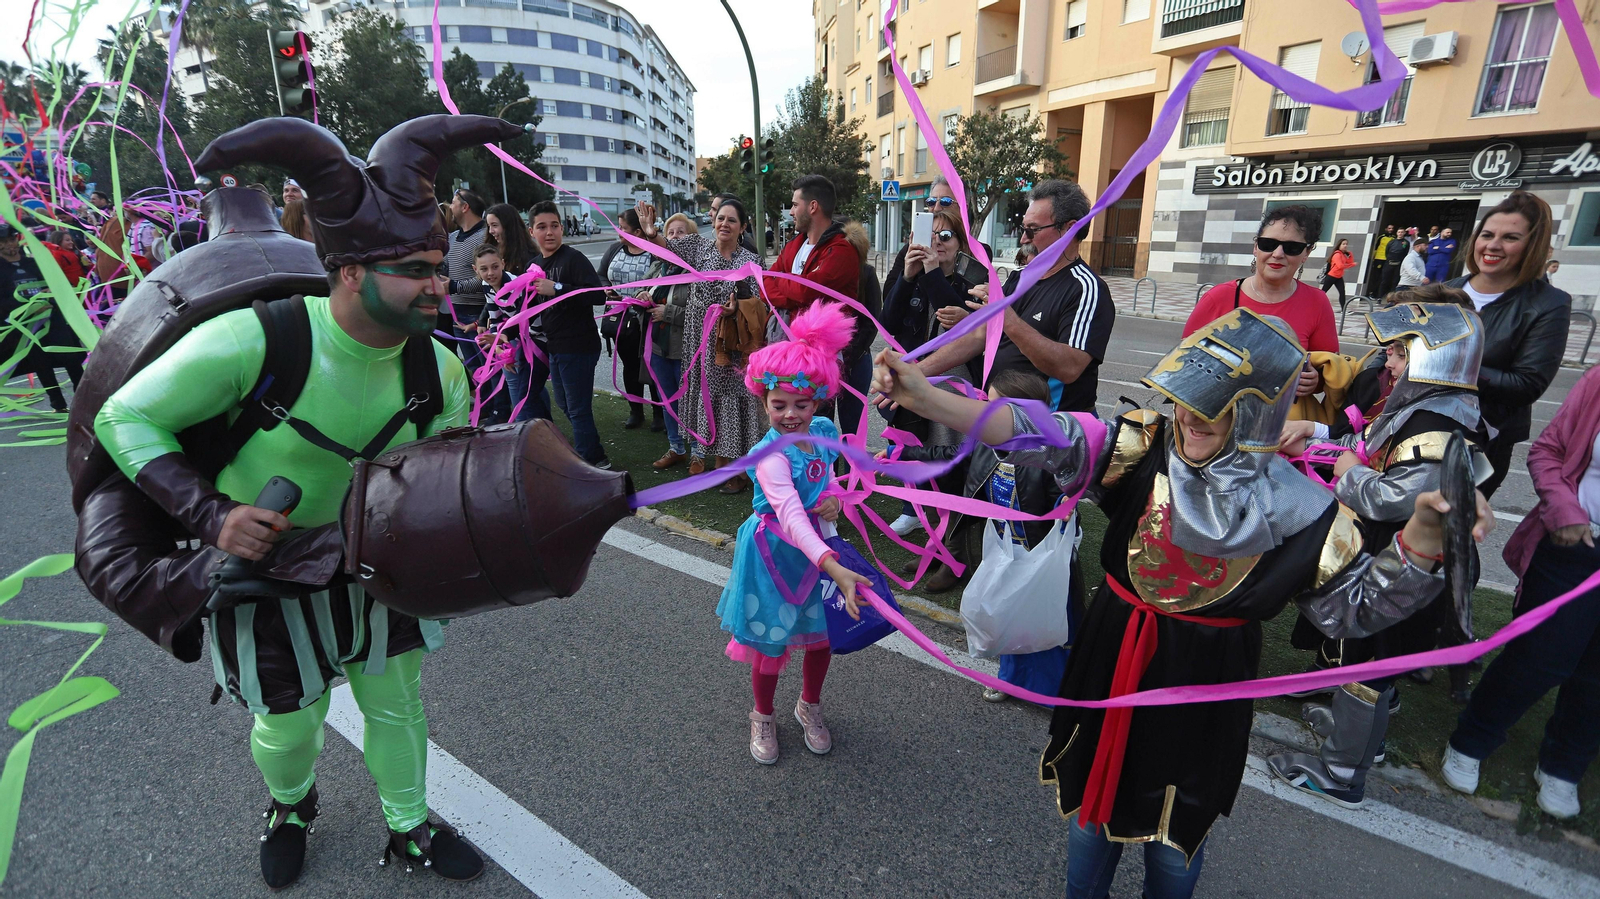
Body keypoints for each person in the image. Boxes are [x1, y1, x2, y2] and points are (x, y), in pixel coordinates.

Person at [873, 307, 1492, 899]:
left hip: (1204, 677)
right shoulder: (1142, 447)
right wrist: (926, 397)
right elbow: (1041, 433)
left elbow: (1354, 612)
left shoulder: (1301, 509)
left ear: (1258, 412)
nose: (1193, 418)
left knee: (1177, 831)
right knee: (1092, 814)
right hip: (1113, 653)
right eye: (1188, 398)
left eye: (1217, 408)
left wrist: (1422, 542)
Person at [87, 114, 520, 888]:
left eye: (437, 263)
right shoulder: (256, 341)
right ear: (351, 271)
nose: (440, 282)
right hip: (265, 574)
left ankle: (409, 826)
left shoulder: (441, 372)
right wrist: (213, 515)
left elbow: (441, 480)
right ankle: (289, 804)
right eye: (417, 269)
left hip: (372, 570)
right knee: (287, 726)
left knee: (397, 706)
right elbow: (124, 416)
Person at [1269, 297, 1490, 808]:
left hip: (1405, 565)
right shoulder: (1424, 403)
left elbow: (1392, 496)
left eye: (1397, 353)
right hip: (1394, 556)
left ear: (1432, 359)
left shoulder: (1436, 424)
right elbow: (1368, 443)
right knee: (1365, 661)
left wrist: (1347, 474)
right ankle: (1358, 736)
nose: (1386, 362)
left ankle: (1343, 772)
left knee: (1368, 663)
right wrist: (1316, 435)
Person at [1443, 361, 1600, 819]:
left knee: (1596, 678)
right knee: (1538, 658)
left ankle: (1564, 765)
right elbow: (1547, 453)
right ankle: (1471, 740)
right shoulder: (1597, 381)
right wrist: (1565, 510)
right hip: (1575, 543)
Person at [716, 301, 868, 765]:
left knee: (820, 637)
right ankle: (762, 714)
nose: (790, 415)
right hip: (772, 558)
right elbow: (789, 513)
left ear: (817, 402)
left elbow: (829, 480)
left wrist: (835, 496)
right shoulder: (771, 457)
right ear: (762, 401)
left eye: (800, 404)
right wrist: (832, 564)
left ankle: (810, 704)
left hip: (818, 552)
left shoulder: (822, 430)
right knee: (770, 640)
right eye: (778, 405)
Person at [912, 180, 1114, 414]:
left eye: (1032, 230)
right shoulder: (1020, 278)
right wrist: (916, 372)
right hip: (1003, 421)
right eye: (1022, 228)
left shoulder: (1085, 288)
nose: (1023, 239)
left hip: (1047, 431)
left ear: (1068, 229)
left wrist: (1007, 318)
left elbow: (1069, 367)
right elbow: (979, 337)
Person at [1446, 190, 1570, 498]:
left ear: (1532, 246)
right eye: (1487, 234)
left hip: (1483, 442)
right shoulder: (1446, 291)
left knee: (1447, 535)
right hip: (1414, 429)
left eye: (1511, 237)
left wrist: (1451, 366)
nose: (1493, 245)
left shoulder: (1548, 303)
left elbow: (1527, 384)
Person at [638, 197, 764, 489]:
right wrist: (650, 232)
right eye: (721, 218)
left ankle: (740, 469)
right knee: (711, 401)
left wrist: (736, 309)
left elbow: (756, 302)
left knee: (735, 401)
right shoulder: (699, 247)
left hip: (731, 346)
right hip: (700, 343)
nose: (724, 224)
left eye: (732, 220)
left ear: (742, 227)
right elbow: (666, 248)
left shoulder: (750, 260)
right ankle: (721, 464)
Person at [1186, 206, 1335, 409]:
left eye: (1291, 247)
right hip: (1219, 420)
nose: (1278, 253)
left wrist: (1314, 381)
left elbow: (1329, 370)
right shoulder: (1219, 297)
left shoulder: (1317, 303)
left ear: (1306, 253)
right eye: (1268, 244)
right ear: (1256, 247)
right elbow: (1184, 364)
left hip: (1281, 428)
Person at [529, 200, 611, 468]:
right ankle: (593, 449)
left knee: (577, 408)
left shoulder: (573, 259)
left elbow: (597, 295)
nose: (549, 232)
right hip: (554, 346)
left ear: (562, 229)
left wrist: (558, 287)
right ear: (532, 232)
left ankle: (593, 460)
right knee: (565, 403)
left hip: (579, 345)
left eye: (554, 226)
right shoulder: (534, 265)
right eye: (542, 227)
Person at [1, 222, 85, 412]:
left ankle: (83, 400)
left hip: (51, 318)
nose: (10, 245)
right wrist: (27, 307)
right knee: (41, 364)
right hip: (25, 327)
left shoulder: (33, 262)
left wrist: (50, 293)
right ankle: (58, 404)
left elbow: (54, 283)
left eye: (12, 239)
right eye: (4, 242)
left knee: (71, 357)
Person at [480, 202, 549, 421]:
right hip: (511, 331)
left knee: (524, 386)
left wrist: (503, 340)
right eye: (489, 226)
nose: (491, 231)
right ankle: (534, 426)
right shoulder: (492, 260)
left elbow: (525, 312)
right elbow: (493, 305)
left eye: (495, 225)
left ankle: (531, 428)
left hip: (530, 332)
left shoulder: (525, 258)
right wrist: (496, 340)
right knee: (524, 385)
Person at [597, 208, 659, 430]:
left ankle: (659, 413)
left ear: (638, 231)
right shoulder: (615, 249)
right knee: (630, 365)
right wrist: (607, 290)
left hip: (648, 320)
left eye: (623, 228)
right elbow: (602, 274)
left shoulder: (653, 252)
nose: (618, 231)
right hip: (621, 320)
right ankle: (636, 411)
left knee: (652, 367)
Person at [765, 175, 860, 319]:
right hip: (784, 337)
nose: (791, 212)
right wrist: (796, 299)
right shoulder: (793, 246)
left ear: (813, 207)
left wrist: (778, 279)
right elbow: (765, 285)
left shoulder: (842, 251)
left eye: (795, 205)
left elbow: (805, 291)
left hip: (821, 339)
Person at [647, 213, 696, 469]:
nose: (676, 237)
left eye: (681, 232)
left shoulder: (697, 270)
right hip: (659, 348)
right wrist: (643, 297)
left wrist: (667, 313)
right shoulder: (658, 266)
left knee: (691, 402)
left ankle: (698, 450)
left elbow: (705, 313)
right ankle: (676, 447)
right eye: (672, 233)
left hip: (686, 350)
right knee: (668, 402)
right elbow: (647, 298)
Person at [836, 220, 881, 438]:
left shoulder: (867, 274)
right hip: (825, 358)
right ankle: (826, 472)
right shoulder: (827, 275)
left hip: (857, 359)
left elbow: (872, 320)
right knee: (820, 425)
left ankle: (855, 471)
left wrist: (851, 355)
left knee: (852, 427)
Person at [443, 188, 489, 356]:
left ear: (465, 207)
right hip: (457, 317)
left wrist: (454, 286)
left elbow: (489, 278)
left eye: (453, 203)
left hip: (480, 316)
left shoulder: (485, 237)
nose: (450, 208)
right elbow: (445, 268)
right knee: (476, 370)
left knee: (491, 370)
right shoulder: (452, 237)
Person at [1320, 238, 1355, 304]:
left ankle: (1343, 310)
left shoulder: (1342, 255)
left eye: (1346, 244)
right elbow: (1340, 266)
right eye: (1343, 244)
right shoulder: (1337, 255)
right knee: (1323, 291)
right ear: (1339, 245)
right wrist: (1351, 265)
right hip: (1331, 276)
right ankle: (1314, 304)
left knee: (1342, 292)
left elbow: (1349, 261)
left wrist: (1350, 254)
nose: (1345, 246)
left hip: (1338, 277)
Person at [1367, 223, 1396, 294]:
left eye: (1392, 228)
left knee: (1385, 277)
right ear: (1386, 229)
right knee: (1376, 276)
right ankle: (1373, 292)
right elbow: (1375, 248)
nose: (1391, 230)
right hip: (1379, 258)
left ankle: (1380, 292)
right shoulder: (1381, 237)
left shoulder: (1394, 238)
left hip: (1388, 259)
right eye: (1389, 228)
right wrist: (1373, 258)